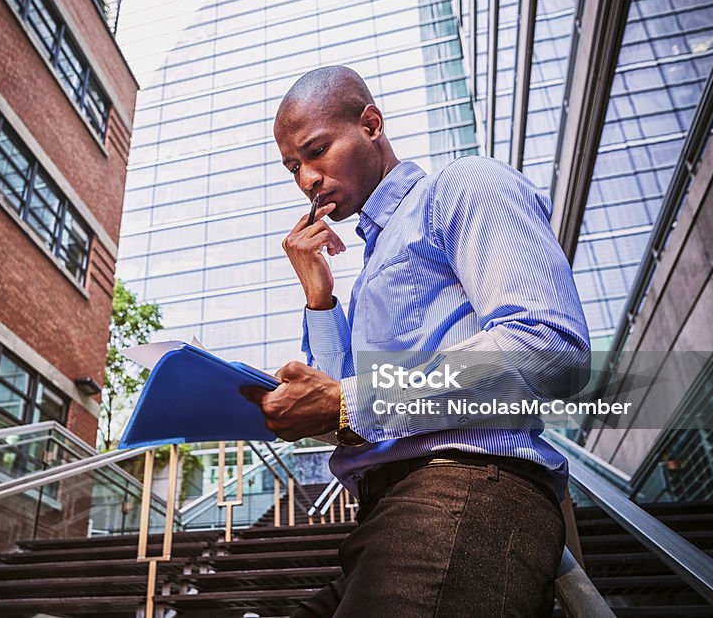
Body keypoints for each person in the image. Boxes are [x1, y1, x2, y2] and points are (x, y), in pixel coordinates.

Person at [241, 66, 591, 617]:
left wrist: (348, 402)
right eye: (293, 166)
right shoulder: (371, 269)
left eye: (316, 151)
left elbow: (549, 350)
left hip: (466, 492)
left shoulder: (461, 187)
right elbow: (347, 412)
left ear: (372, 125)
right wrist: (319, 298)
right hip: (390, 513)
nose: (306, 178)